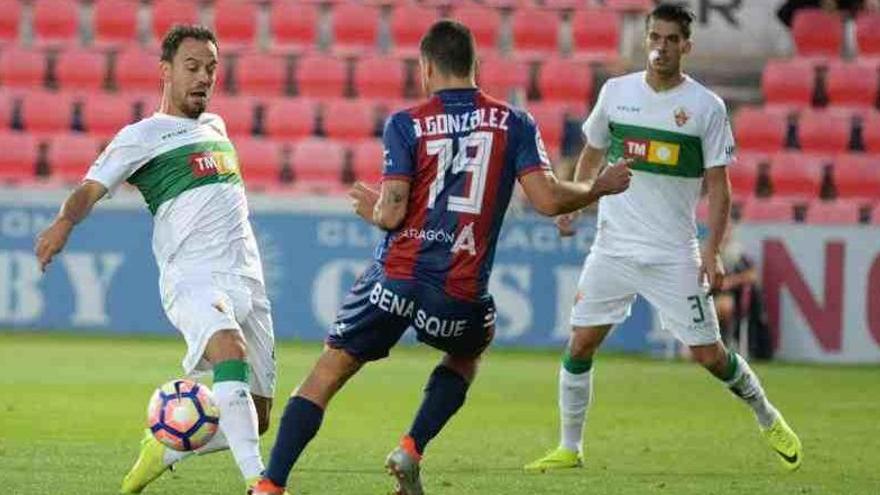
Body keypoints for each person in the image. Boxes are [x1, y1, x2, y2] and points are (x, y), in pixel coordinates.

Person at [249, 20, 632, 495]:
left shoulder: (406, 123)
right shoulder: (514, 123)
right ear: (476, 66)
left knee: (330, 369)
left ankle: (270, 486)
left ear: (425, 67)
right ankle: (411, 447)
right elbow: (548, 200)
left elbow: (391, 213)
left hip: (396, 279)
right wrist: (598, 186)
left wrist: (376, 211)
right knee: (467, 354)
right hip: (459, 290)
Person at [524, 3, 802, 474]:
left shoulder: (705, 108)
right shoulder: (616, 93)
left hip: (673, 252)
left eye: (672, 39)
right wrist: (576, 201)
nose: (662, 46)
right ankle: (570, 447)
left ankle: (766, 415)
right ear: (646, 39)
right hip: (613, 247)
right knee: (580, 344)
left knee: (709, 355)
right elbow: (590, 155)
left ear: (686, 46)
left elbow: (720, 186)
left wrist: (712, 251)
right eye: (656, 37)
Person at [33, 25, 277, 493]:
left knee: (257, 417)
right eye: (192, 67)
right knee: (230, 352)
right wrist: (64, 223)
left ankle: (163, 448)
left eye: (210, 68)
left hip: (249, 280)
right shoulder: (141, 137)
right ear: (165, 72)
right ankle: (259, 484)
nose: (203, 77)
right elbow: (90, 188)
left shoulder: (216, 127)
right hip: (194, 277)